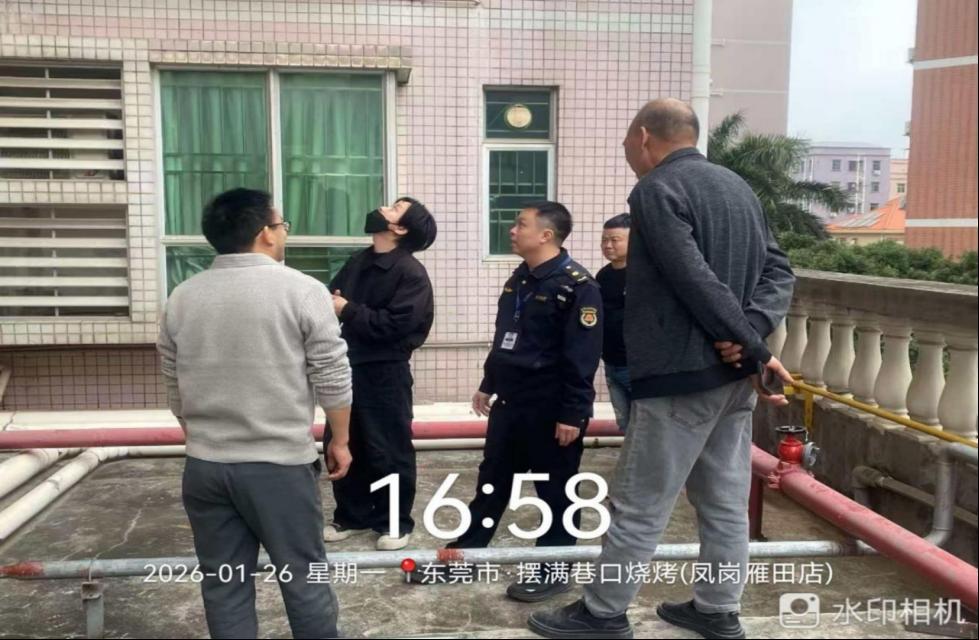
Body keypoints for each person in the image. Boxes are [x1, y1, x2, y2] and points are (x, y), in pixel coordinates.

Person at [529, 99, 795, 640]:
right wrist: (749, 335)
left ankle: (602, 612)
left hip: (678, 374)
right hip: (730, 381)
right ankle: (717, 609)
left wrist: (747, 343)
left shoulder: (656, 189)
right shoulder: (738, 187)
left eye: (627, 141)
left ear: (645, 137)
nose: (627, 151)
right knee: (725, 501)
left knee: (639, 502)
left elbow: (689, 275)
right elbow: (779, 271)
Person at [157, 187, 353, 639]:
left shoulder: (182, 297)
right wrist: (340, 440)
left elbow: (173, 381)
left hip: (205, 467)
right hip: (278, 465)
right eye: (282, 225)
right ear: (266, 233)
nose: (283, 233)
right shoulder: (302, 290)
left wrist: (198, 437)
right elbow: (332, 373)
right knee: (304, 578)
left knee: (223, 583)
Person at [408, 201, 604, 603]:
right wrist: (488, 383)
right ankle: (465, 556)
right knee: (492, 482)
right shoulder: (521, 278)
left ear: (546, 235)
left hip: (551, 408)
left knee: (555, 492)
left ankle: (553, 569)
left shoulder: (577, 286)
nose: (512, 230)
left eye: (521, 224)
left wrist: (572, 413)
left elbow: (582, 358)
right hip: (511, 402)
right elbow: (506, 337)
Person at [322, 197, 436, 551]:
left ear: (399, 228)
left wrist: (349, 310)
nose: (383, 209)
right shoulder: (359, 260)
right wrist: (340, 308)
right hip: (347, 365)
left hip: (385, 371)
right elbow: (330, 298)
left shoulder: (410, 273)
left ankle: (394, 522)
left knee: (387, 448)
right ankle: (351, 515)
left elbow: (398, 326)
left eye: (394, 208)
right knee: (344, 440)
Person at [596, 213, 632, 431]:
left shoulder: (644, 276)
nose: (608, 245)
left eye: (615, 240)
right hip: (611, 363)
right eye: (604, 240)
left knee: (644, 426)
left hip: (637, 366)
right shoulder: (603, 276)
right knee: (624, 423)